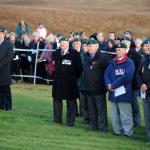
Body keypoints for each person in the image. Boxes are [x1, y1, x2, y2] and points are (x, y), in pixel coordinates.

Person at [105, 43, 135, 137]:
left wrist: (113, 85)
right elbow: (106, 74)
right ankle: (117, 130)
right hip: (113, 91)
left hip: (123, 91)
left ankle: (128, 132)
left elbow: (127, 76)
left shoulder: (129, 62)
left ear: (125, 50)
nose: (117, 51)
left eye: (120, 49)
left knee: (125, 113)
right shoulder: (112, 61)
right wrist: (108, 84)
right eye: (116, 49)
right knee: (114, 114)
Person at [52, 36, 82, 127]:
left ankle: (70, 122)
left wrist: (73, 77)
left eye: (64, 43)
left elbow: (80, 68)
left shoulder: (74, 53)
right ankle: (57, 120)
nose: (62, 44)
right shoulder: (56, 52)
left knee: (71, 102)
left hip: (70, 82)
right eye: (61, 43)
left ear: (68, 43)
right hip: (58, 81)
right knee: (57, 100)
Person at [84, 39, 109, 132]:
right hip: (88, 88)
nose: (88, 48)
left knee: (101, 110)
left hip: (99, 88)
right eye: (88, 46)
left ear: (96, 47)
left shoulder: (103, 56)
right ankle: (94, 127)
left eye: (90, 46)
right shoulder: (87, 57)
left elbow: (108, 71)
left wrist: (104, 84)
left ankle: (103, 128)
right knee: (92, 110)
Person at [121, 36, 141, 126]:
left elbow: (138, 69)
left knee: (134, 102)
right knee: (124, 103)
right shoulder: (119, 53)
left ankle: (136, 121)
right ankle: (126, 120)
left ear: (130, 43)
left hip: (132, 83)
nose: (125, 42)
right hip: (121, 83)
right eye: (123, 41)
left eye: (126, 41)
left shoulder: (135, 54)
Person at [137, 39, 150, 142]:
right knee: (147, 117)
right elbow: (138, 73)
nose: (146, 48)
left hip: (147, 90)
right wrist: (141, 84)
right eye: (144, 46)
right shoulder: (144, 59)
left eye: (147, 45)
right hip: (145, 94)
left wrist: (147, 85)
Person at [0, 28, 13, 111]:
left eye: (0, 33)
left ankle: (8, 106)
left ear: (3, 35)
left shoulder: (8, 43)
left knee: (5, 89)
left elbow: (9, 57)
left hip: (4, 70)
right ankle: (1, 105)